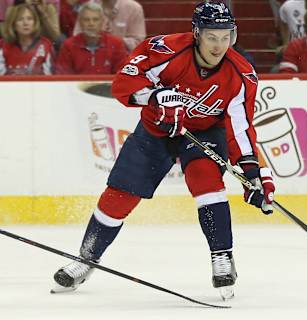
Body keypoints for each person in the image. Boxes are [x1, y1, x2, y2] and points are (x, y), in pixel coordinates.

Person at [51, 1, 276, 301]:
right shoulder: (164, 50)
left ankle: (222, 256)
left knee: (207, 183)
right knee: (119, 195)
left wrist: (253, 173)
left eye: (226, 37)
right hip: (156, 131)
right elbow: (123, 83)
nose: (219, 45)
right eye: (211, 36)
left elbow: (240, 128)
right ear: (196, 33)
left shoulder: (241, 74)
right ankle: (86, 258)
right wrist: (156, 96)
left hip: (203, 133)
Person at [55, 2, 127, 74]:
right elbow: (63, 77)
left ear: (102, 22)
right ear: (80, 22)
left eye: (95, 20)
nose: (91, 24)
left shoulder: (116, 44)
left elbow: (122, 75)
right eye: (86, 20)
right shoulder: (69, 45)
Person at [0, 3, 54, 74]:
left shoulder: (46, 45)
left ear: (35, 22)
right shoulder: (3, 45)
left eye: (29, 19)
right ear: (13, 24)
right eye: (20, 19)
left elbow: (50, 79)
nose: (26, 23)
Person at [73, 0, 146, 51]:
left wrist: (111, 42)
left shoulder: (134, 8)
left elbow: (138, 44)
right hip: (91, 54)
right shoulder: (87, 7)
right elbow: (77, 37)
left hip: (124, 56)